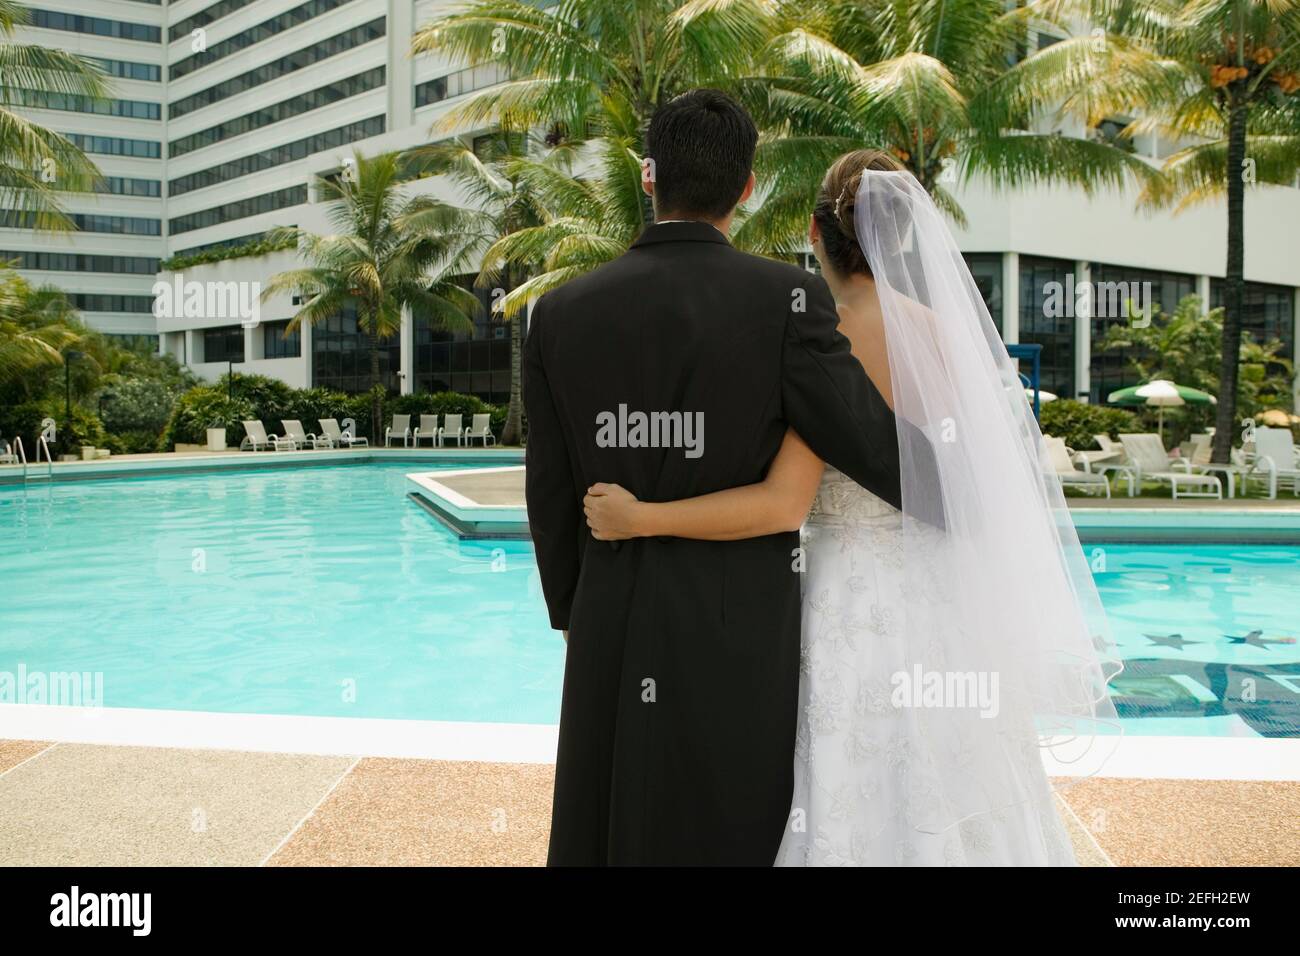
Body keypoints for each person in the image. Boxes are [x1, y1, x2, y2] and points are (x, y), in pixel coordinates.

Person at [583, 149, 1121, 865]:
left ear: (815, 233)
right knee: (961, 784)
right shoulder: (943, 334)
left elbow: (782, 504)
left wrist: (643, 516)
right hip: (941, 596)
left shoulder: (820, 331)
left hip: (845, 593)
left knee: (845, 783)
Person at [523, 92, 903, 865]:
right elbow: (877, 450)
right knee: (728, 827)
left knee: (607, 828)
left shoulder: (558, 313)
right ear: (749, 186)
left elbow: (552, 497)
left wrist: (580, 611)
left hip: (611, 616)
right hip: (739, 629)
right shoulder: (789, 302)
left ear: (648, 176)